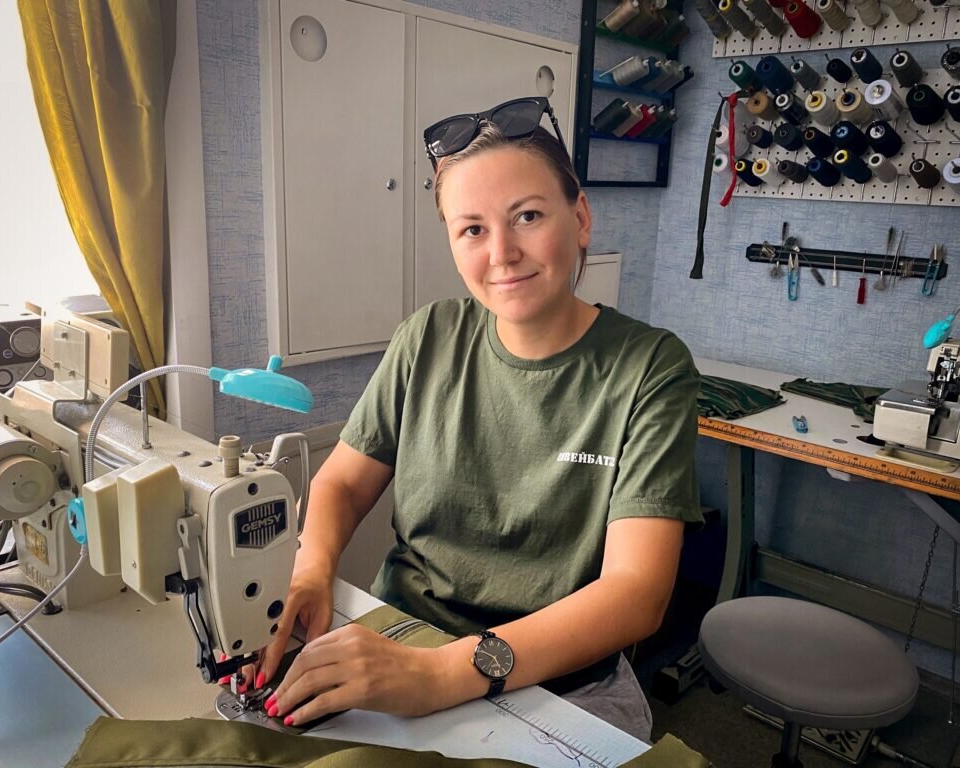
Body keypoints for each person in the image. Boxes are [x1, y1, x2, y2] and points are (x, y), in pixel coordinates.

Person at [254, 97, 702, 742]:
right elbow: (344, 482)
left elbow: (636, 593)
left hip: (562, 678)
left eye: (527, 216)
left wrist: (441, 675)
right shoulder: (427, 337)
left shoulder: (649, 367)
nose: (503, 253)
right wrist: (312, 567)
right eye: (472, 229)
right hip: (405, 636)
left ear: (580, 218)